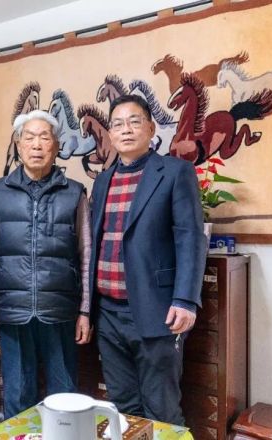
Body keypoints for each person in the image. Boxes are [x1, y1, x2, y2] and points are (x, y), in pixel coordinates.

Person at [89, 94, 206, 425]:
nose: (125, 130)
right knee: (123, 406)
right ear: (110, 133)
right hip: (108, 313)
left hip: (156, 310)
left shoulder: (175, 172)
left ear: (151, 128)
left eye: (134, 121)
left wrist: (185, 299)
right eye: (117, 124)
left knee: (161, 409)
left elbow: (190, 237)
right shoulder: (103, 181)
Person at [0, 109, 92, 418]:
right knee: (17, 397)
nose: (36, 144)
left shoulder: (74, 192)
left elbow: (86, 254)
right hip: (12, 312)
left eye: (44, 137)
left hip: (60, 311)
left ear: (56, 146)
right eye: (29, 137)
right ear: (18, 146)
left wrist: (85, 311)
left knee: (65, 395)